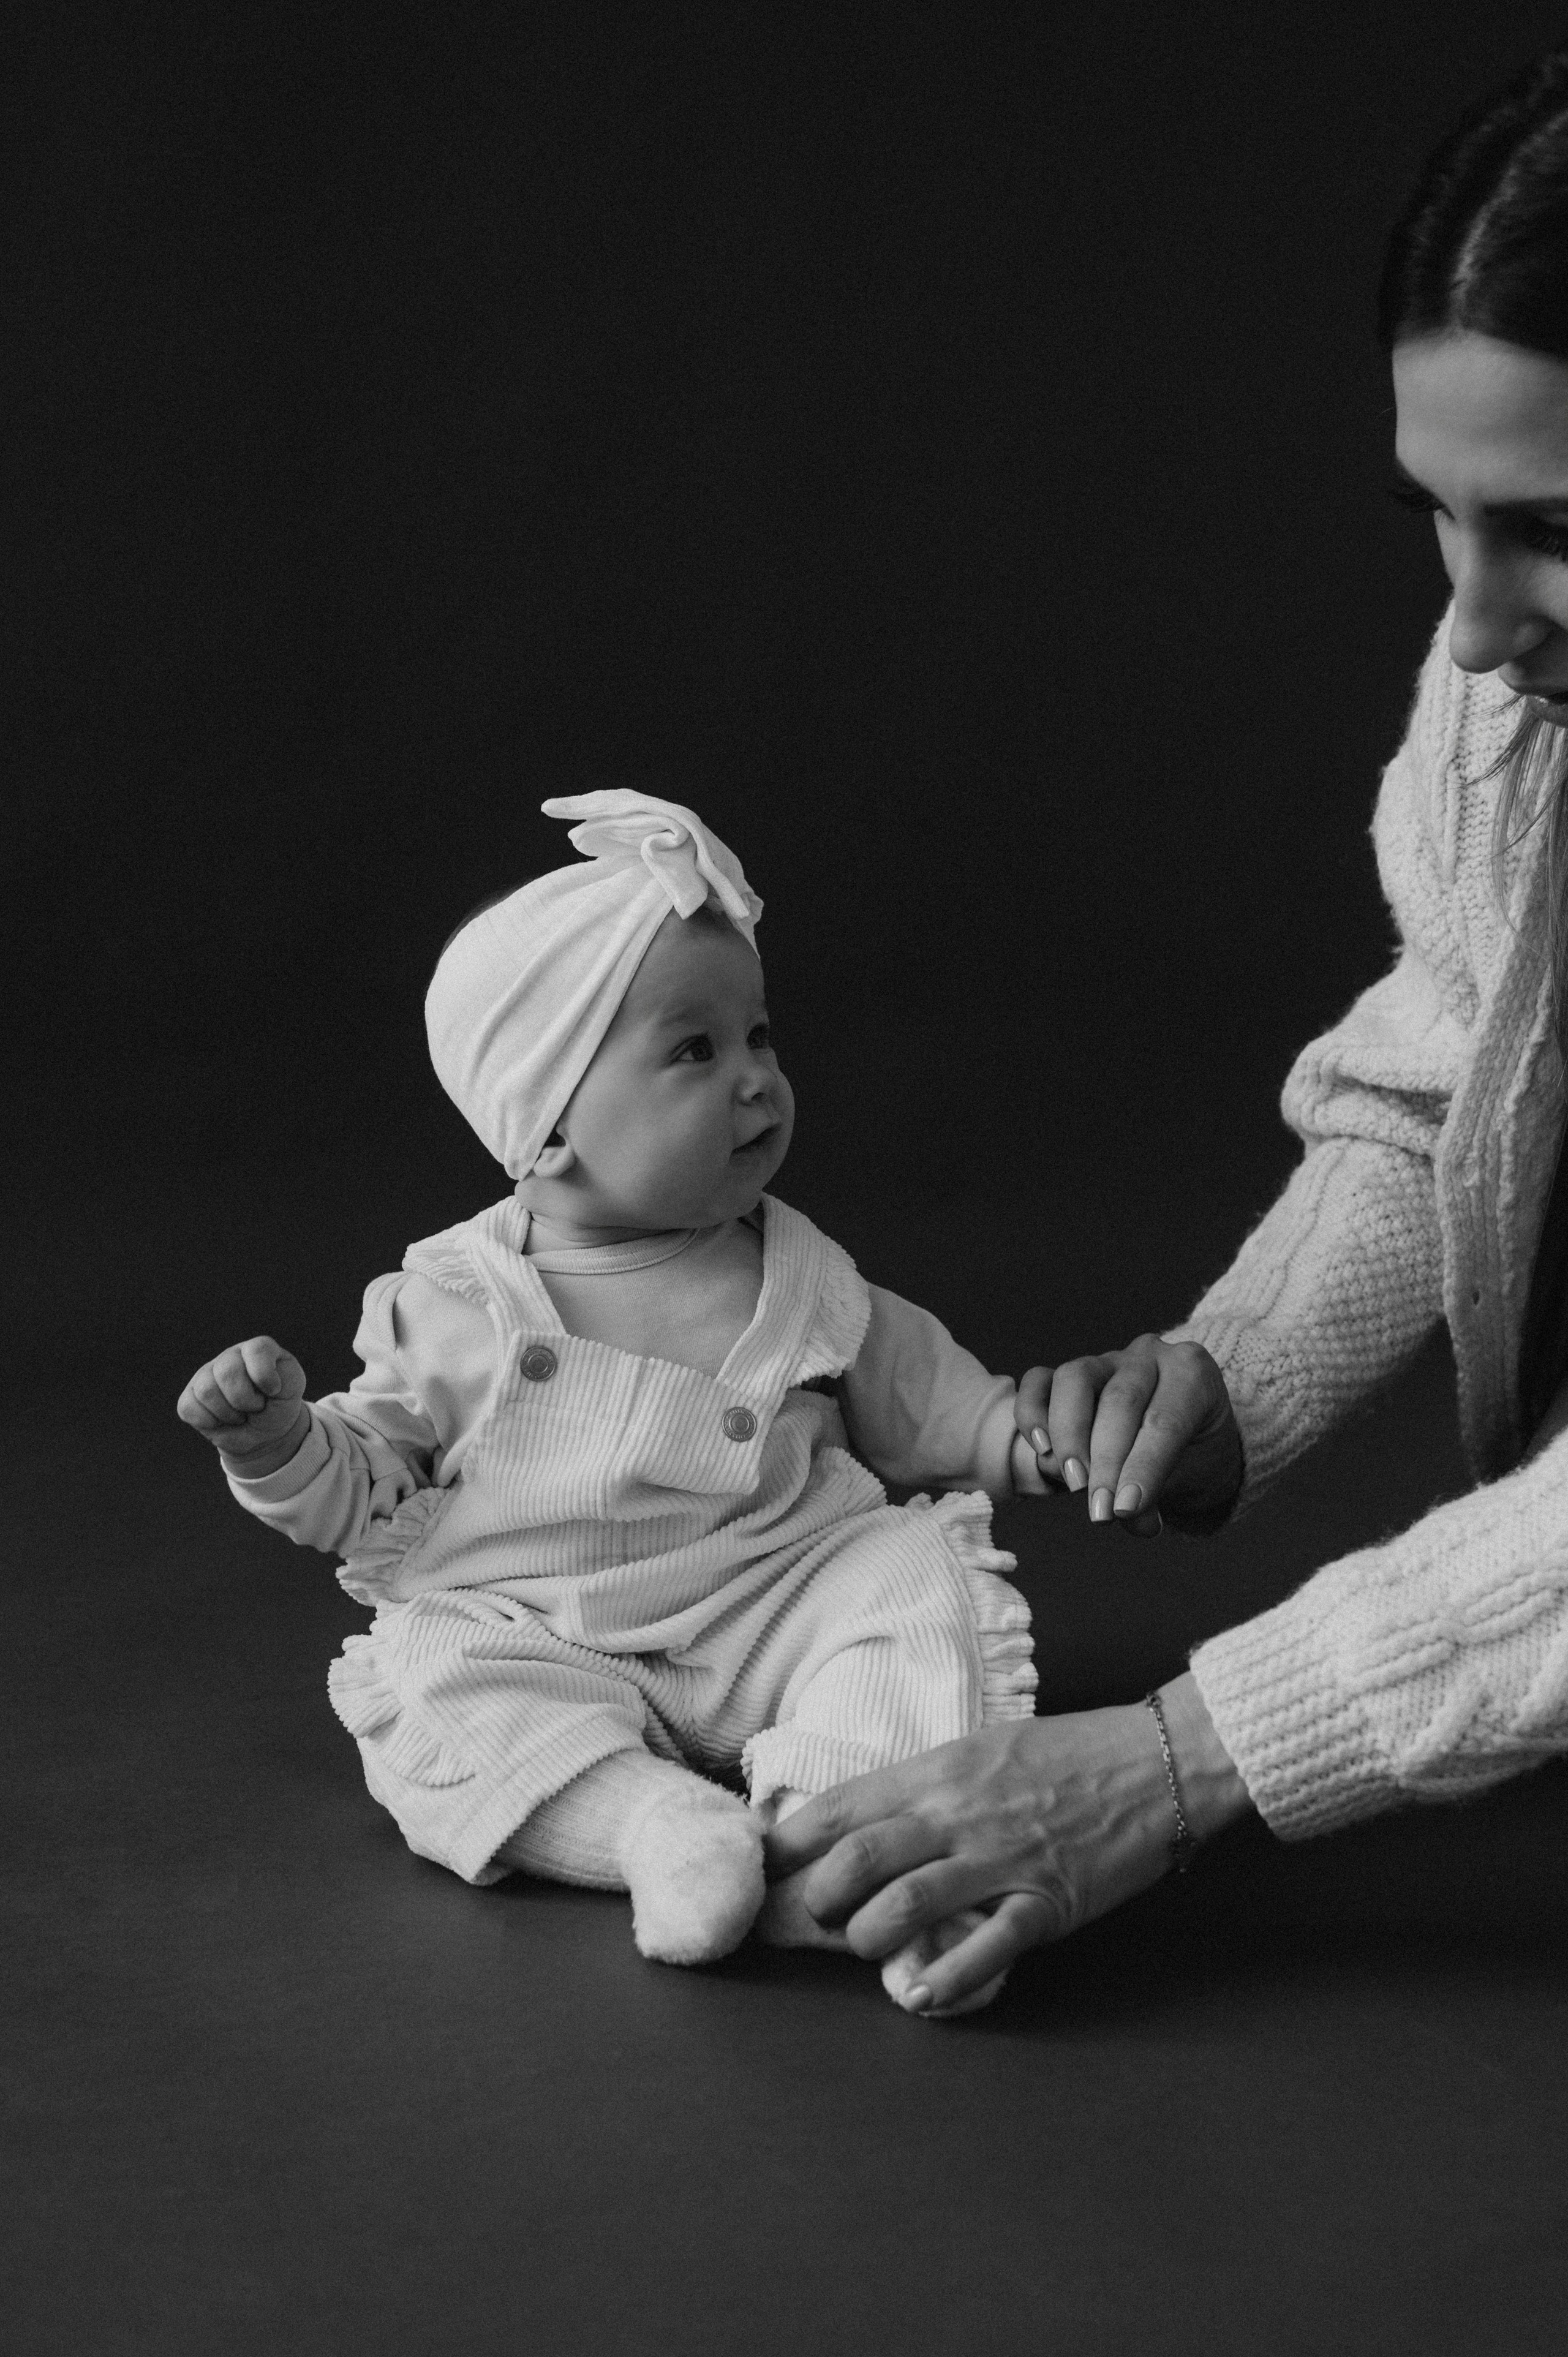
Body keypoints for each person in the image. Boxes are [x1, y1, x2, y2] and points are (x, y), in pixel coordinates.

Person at [767, 45, 1568, 2015]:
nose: (1469, 625)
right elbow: (1459, 1059)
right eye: (1437, 516)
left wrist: (1185, 1761)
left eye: (1552, 526)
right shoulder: (1515, 701)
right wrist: (1247, 1365)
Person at [176, 791, 1047, 2012]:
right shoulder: (463, 1301)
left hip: (774, 1597)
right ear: (545, 1134)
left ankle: (844, 1852)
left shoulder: (799, 1272)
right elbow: (362, 1490)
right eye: (694, 1051)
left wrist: (1021, 1436)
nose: (754, 1081)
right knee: (435, 1670)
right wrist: (278, 1443)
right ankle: (657, 1825)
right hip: (549, 1626)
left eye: (758, 1036)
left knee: (909, 1575)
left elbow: (923, 1395)